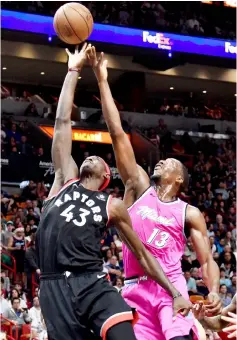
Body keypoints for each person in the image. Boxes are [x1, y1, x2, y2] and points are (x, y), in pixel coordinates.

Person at [36, 44, 191, 340]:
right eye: (87, 158)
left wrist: (174, 293)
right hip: (53, 286)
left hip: (92, 282)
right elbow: (62, 122)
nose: (91, 156)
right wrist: (73, 70)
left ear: (107, 176)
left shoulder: (113, 205)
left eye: (99, 159)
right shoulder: (63, 181)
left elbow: (142, 254)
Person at [88, 46, 222, 340]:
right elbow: (117, 133)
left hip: (171, 289)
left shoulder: (189, 212)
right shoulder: (138, 187)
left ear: (179, 179)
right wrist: (102, 80)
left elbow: (207, 260)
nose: (160, 160)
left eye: (169, 162)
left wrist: (212, 291)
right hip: (135, 289)